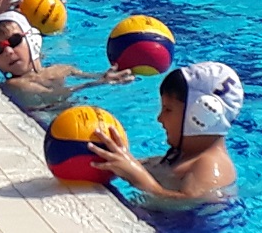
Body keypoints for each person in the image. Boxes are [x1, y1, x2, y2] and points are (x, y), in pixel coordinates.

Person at [88, 62, 244, 202]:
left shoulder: (210, 165)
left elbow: (185, 204)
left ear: (202, 115)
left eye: (168, 110)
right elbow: (140, 167)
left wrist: (138, 178)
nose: (160, 118)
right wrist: (118, 161)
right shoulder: (182, 156)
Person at [0, 11, 133, 110]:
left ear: (32, 41)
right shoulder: (14, 85)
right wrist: (96, 83)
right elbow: (55, 94)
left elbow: (94, 76)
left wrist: (107, 76)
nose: (8, 51)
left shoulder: (62, 68)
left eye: (14, 41)